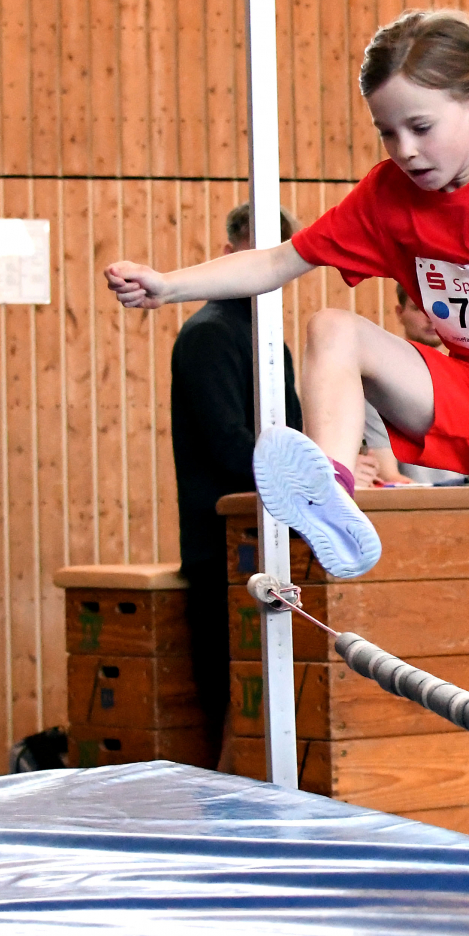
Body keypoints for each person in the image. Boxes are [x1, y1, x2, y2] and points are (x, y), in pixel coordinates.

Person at [107, 10, 469, 724]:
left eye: (420, 127)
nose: (405, 149)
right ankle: (327, 487)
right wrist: (171, 285)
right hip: (462, 388)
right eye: (387, 132)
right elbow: (277, 261)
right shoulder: (387, 195)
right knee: (331, 325)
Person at [170, 204, 302, 761]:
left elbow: (295, 430)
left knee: (273, 705)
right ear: (227, 257)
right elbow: (229, 447)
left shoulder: (270, 341)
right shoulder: (209, 336)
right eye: (254, 256)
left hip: (269, 539)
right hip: (222, 552)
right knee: (237, 705)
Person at [360, 283, 463, 486]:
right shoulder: (380, 380)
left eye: (438, 309)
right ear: (400, 313)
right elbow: (388, 475)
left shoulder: (465, 374)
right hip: (419, 498)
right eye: (418, 309)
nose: (430, 318)